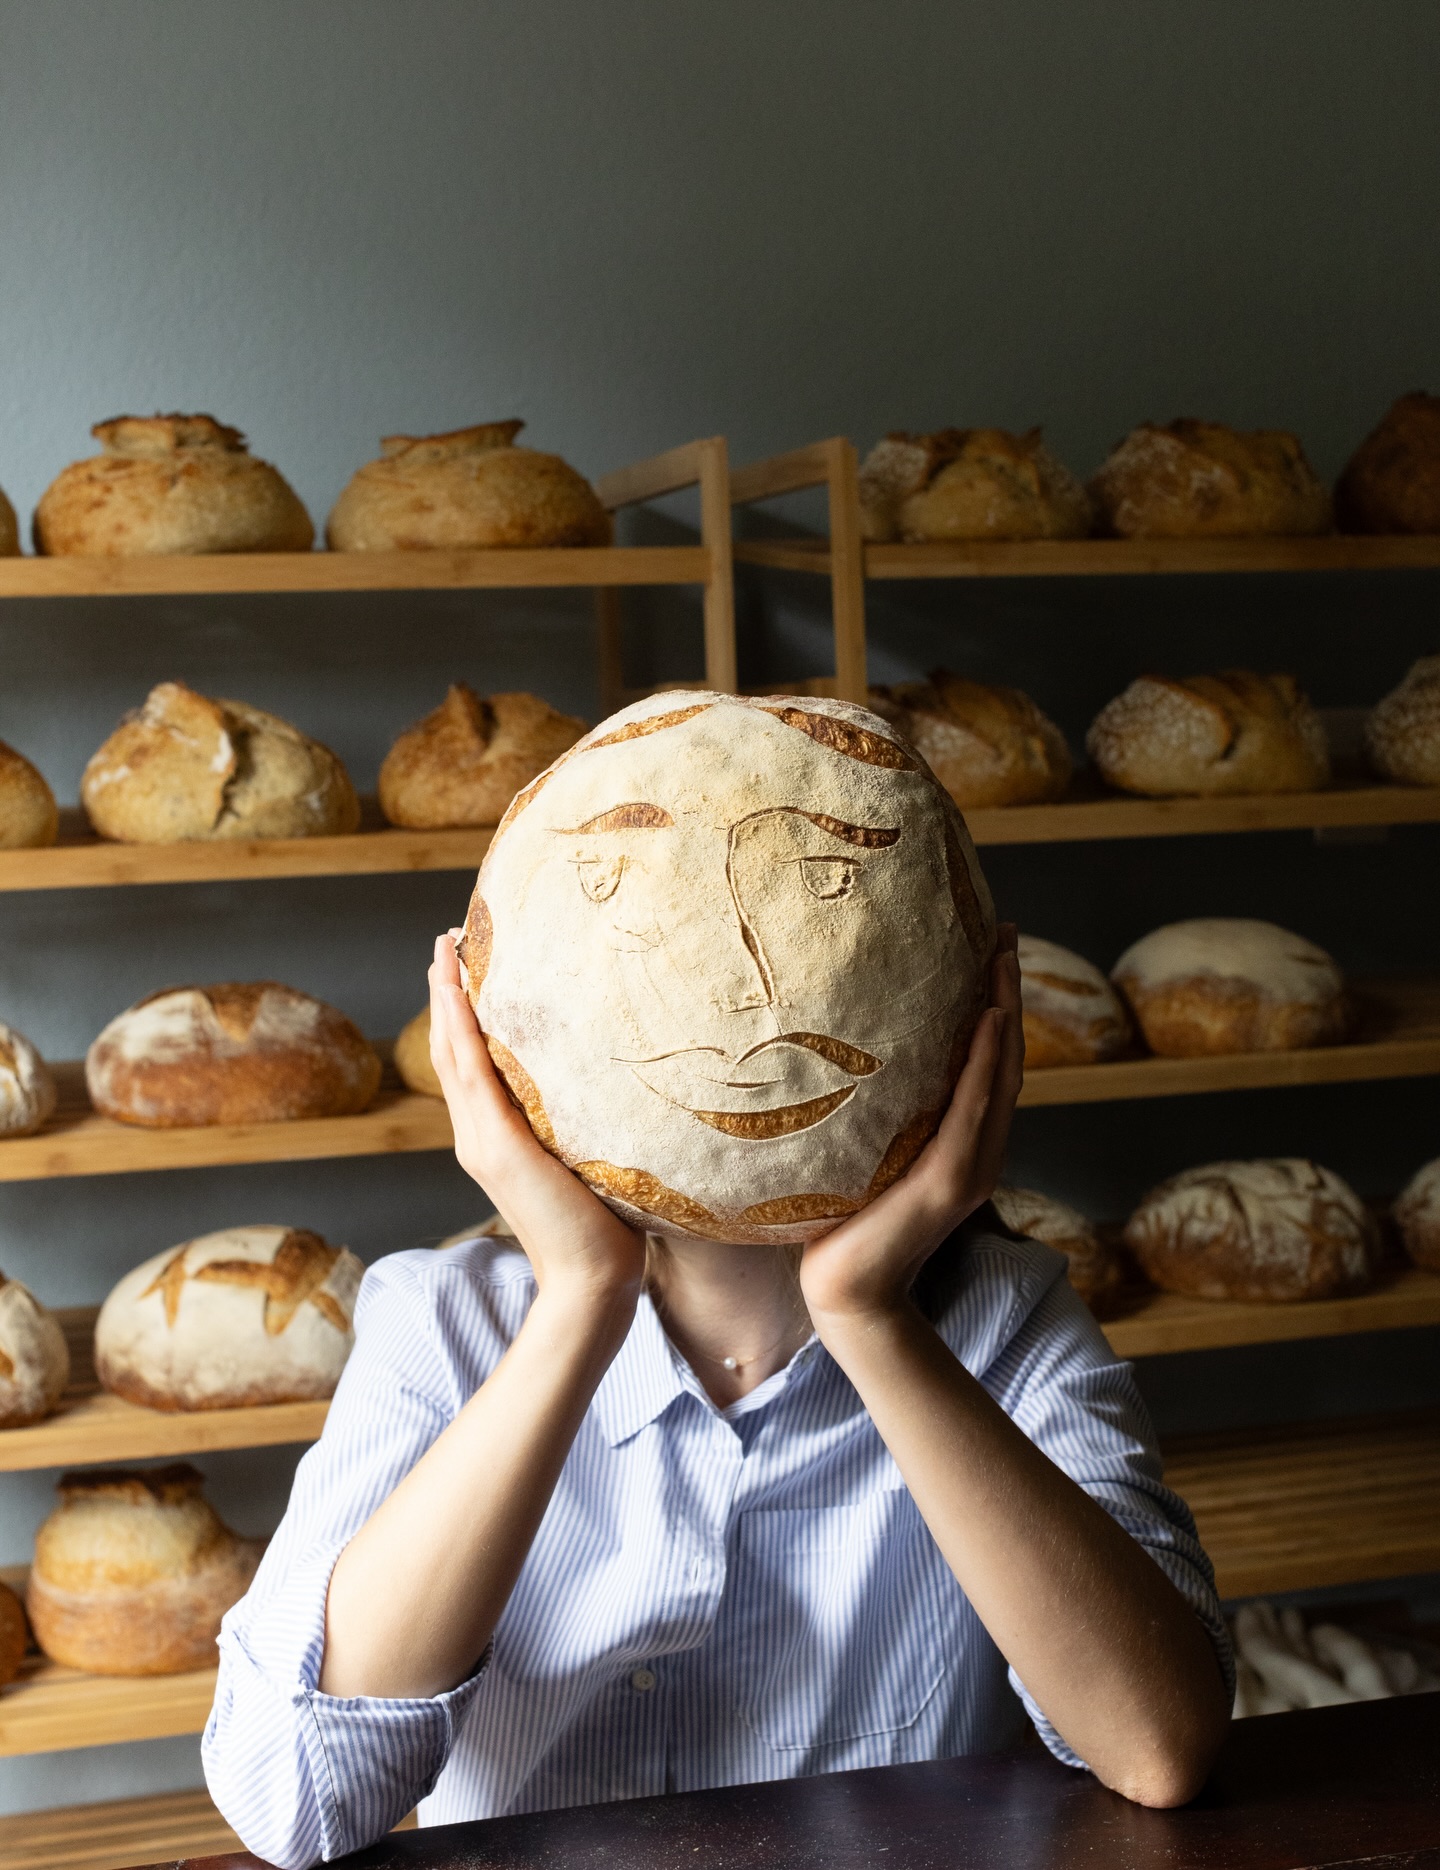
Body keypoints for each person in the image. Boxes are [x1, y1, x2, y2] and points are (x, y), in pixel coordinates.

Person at [203, 923, 1232, 1869]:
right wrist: (579, 1301)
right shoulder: (441, 1323)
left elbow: (1157, 1747)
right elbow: (296, 1798)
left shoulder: (1008, 1321)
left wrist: (865, 1315)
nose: (742, 1024)